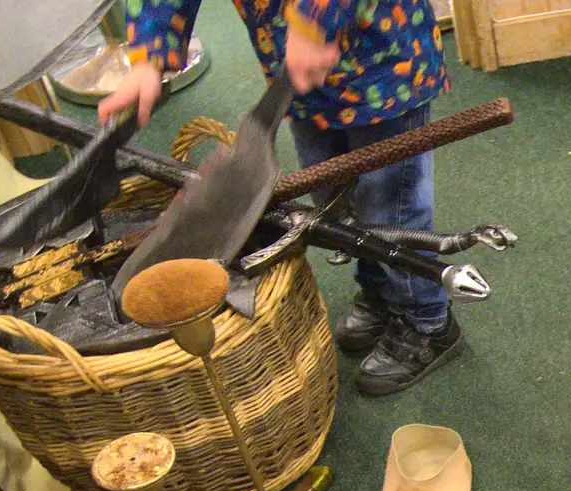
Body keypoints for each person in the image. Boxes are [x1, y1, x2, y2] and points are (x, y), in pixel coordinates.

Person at [96, 1, 465, 397]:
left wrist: (314, 23)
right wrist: (150, 56)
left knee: (391, 206)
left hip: (385, 63)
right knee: (332, 198)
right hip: (302, 80)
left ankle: (426, 320)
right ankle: (381, 291)